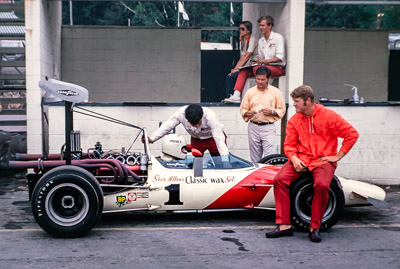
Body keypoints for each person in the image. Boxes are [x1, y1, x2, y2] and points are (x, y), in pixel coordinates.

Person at [265, 85, 359, 243]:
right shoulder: (295, 119)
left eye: (296, 101)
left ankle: (314, 227)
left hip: (323, 160)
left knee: (322, 185)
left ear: (307, 101)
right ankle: (284, 226)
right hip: (301, 158)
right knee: (279, 180)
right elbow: (289, 145)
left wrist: (338, 155)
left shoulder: (329, 115)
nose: (293, 104)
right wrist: (294, 159)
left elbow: (352, 134)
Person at [224, 15, 285, 104]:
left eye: (263, 25)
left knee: (257, 69)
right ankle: (236, 96)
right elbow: (260, 58)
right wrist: (255, 63)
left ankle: (260, 96)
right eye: (260, 25)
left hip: (277, 67)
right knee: (243, 71)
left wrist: (264, 62)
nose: (260, 28)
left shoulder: (278, 37)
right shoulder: (261, 40)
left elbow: (280, 57)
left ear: (270, 26)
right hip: (263, 67)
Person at [143, 104, 229, 160]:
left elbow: (219, 138)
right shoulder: (180, 114)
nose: (196, 126)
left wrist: (225, 161)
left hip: (213, 139)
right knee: (194, 160)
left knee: (219, 160)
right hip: (197, 140)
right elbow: (167, 126)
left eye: (198, 123)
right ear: (187, 119)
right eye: (193, 124)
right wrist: (152, 138)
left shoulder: (210, 116)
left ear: (201, 117)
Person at [239, 66, 286, 164]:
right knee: (254, 156)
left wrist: (272, 112)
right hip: (253, 126)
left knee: (269, 155)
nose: (260, 81)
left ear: (269, 79)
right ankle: (256, 177)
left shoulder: (275, 92)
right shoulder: (250, 92)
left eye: (263, 79)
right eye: (258, 79)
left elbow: (282, 109)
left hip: (268, 127)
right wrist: (247, 113)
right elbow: (243, 108)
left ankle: (267, 177)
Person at [224, 21, 259, 101]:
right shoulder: (243, 40)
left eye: (243, 29)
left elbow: (247, 56)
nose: (240, 30)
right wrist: (234, 69)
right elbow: (242, 57)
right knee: (230, 76)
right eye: (239, 29)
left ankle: (234, 96)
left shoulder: (252, 39)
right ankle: (229, 96)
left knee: (236, 75)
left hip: (255, 64)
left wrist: (237, 69)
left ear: (248, 30)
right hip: (249, 64)